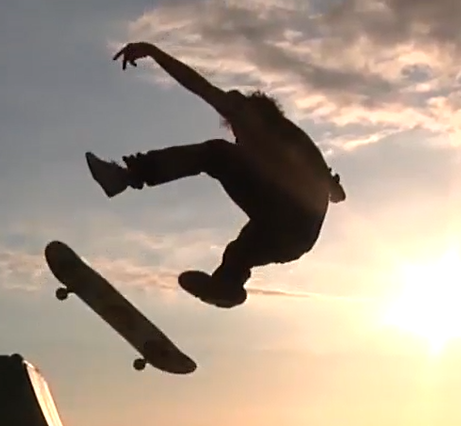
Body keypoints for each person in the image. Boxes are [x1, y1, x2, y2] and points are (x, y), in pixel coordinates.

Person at [85, 41, 347, 308]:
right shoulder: (295, 143)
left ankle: (127, 176)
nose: (238, 138)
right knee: (242, 249)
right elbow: (336, 193)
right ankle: (226, 286)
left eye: (237, 132)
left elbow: (199, 86)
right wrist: (332, 189)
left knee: (217, 155)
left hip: (291, 221)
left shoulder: (264, 125)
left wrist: (154, 52)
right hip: (292, 240)